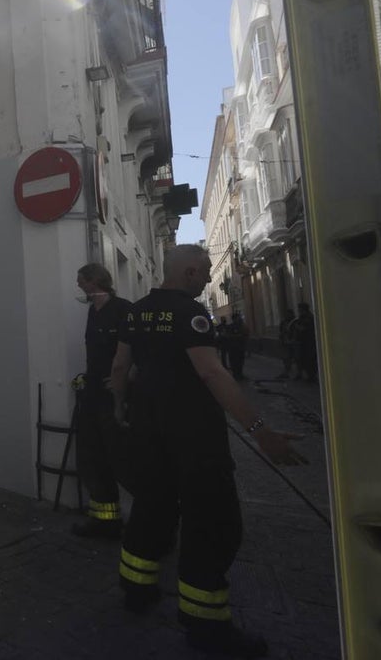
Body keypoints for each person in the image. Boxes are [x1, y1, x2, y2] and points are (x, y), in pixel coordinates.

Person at [110, 244, 304, 658]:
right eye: (207, 272)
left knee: (150, 509)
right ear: (191, 273)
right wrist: (260, 430)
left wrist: (118, 408)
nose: (210, 280)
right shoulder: (189, 314)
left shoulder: (135, 313)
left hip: (148, 433)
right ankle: (205, 624)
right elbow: (212, 372)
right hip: (194, 438)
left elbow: (120, 368)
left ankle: (136, 590)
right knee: (212, 524)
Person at [71, 263, 133, 539]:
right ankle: (105, 519)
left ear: (94, 280)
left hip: (114, 396)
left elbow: (139, 350)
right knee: (93, 456)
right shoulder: (92, 312)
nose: (79, 285)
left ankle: (153, 516)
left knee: (121, 457)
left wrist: (125, 380)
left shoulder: (122, 309)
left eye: (81, 280)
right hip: (93, 394)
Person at [294, 302, 318, 382]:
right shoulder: (302, 317)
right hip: (303, 342)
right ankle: (308, 375)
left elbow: (305, 329)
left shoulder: (308, 317)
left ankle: (311, 376)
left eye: (300, 309)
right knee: (303, 359)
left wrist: (298, 327)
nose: (299, 311)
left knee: (309, 359)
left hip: (308, 342)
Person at [228, 312, 249, 380]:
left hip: (240, 347)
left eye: (239, 317)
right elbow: (228, 336)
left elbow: (246, 334)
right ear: (234, 319)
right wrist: (237, 336)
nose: (239, 318)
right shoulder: (231, 327)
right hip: (233, 348)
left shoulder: (242, 326)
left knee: (241, 362)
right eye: (238, 317)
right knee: (234, 362)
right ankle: (235, 375)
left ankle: (240, 374)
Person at [278, 308, 297, 379]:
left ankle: (297, 373)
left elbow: (295, 331)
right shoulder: (283, 322)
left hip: (293, 342)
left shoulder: (294, 321)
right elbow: (281, 331)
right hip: (285, 342)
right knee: (286, 358)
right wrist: (281, 337)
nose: (287, 315)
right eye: (286, 314)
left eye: (289, 314)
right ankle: (286, 372)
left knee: (295, 358)